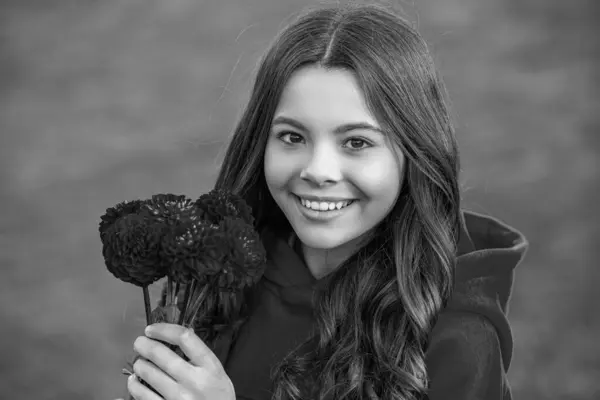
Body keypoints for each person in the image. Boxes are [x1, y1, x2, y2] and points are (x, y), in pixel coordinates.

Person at [122, 3, 529, 400]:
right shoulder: (216, 279)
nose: (318, 170)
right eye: (293, 137)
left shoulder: (459, 338)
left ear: (415, 153)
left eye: (357, 142)